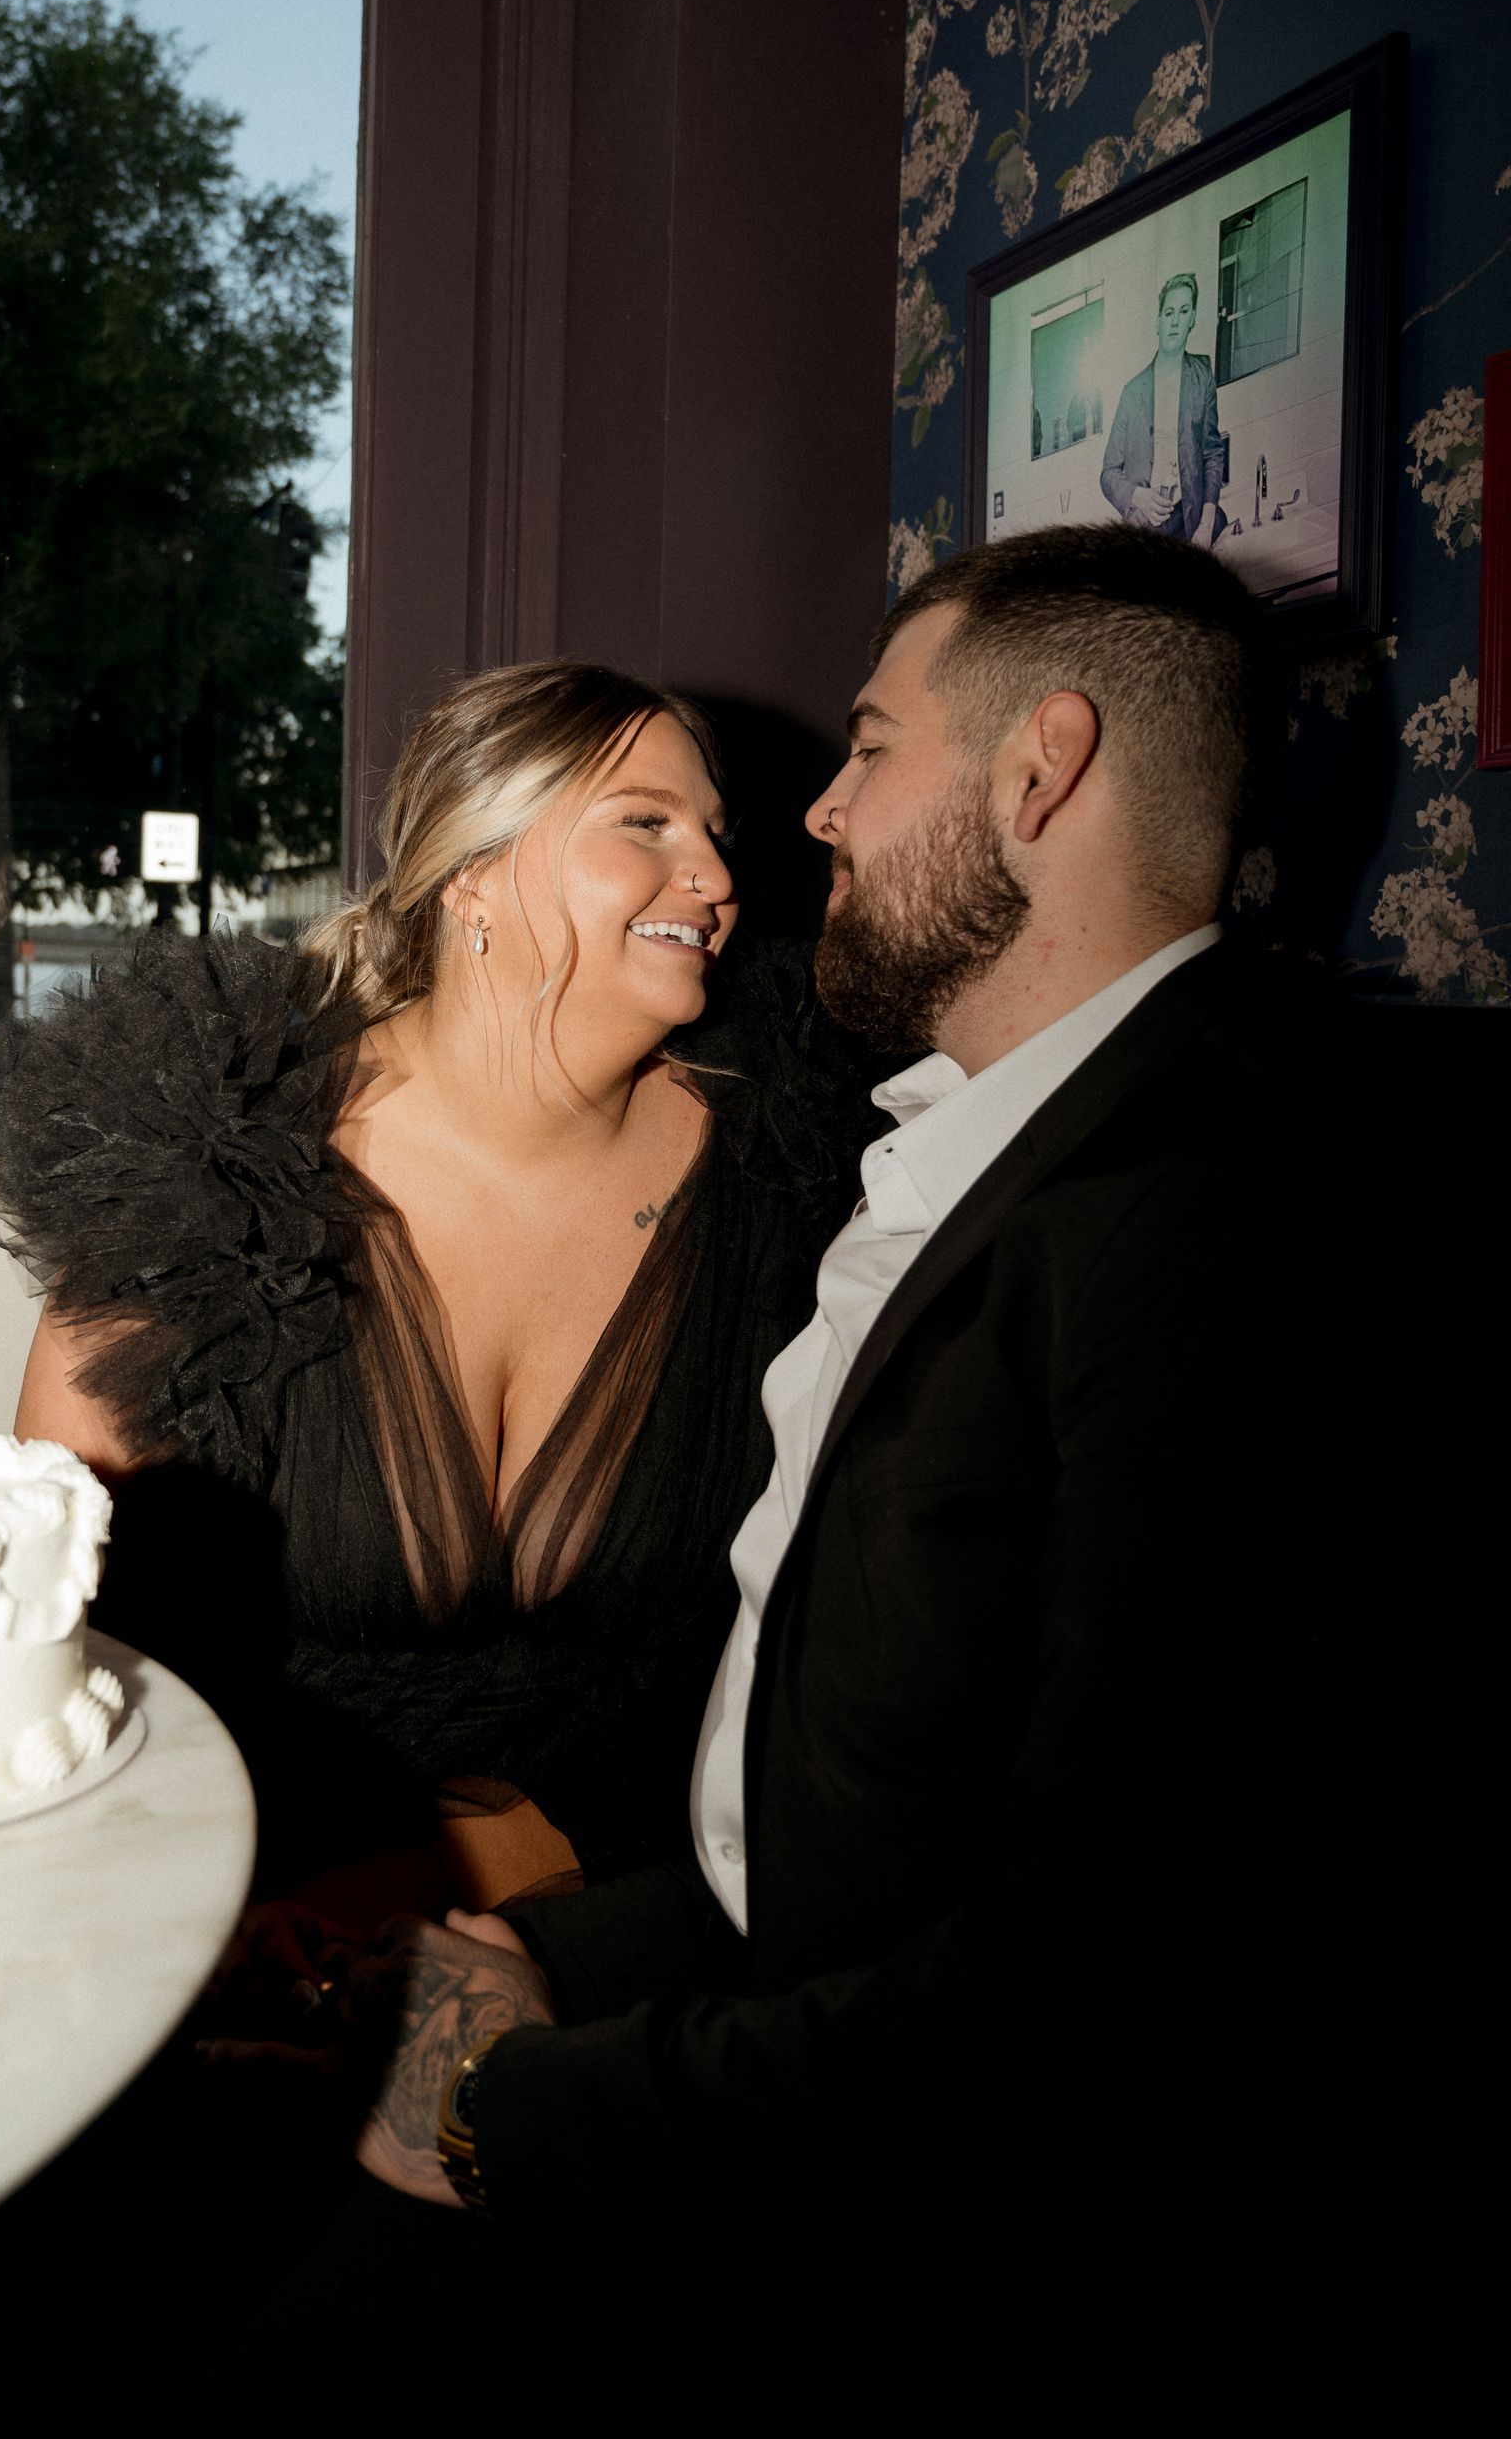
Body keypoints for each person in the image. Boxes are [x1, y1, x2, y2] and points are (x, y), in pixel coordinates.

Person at [339, 524, 1387, 2352]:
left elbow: (1100, 1981)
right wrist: (529, 1954)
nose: (813, 814)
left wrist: (519, 2109)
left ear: (1039, 772)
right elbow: (849, 1825)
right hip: (724, 1985)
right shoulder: (955, 1141)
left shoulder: (1229, 1216)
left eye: (873, 745)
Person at [0, 661, 863, 1922]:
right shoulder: (206, 1170)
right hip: (246, 1894)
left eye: (715, 834)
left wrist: (552, 1895)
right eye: (647, 823)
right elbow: (59, 1639)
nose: (716, 877)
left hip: (645, 1899)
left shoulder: (796, 1166)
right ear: (474, 876)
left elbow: (813, 1632)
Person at [1100, 268, 1229, 546]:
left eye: (1183, 312)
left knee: (1220, 522)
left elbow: (1213, 453)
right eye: (1169, 313)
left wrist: (1206, 525)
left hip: (1191, 517)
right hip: (1147, 529)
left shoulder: (1202, 375)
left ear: (1192, 318)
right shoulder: (1133, 392)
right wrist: (1138, 496)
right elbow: (1108, 474)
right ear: (1158, 322)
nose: (1175, 322)